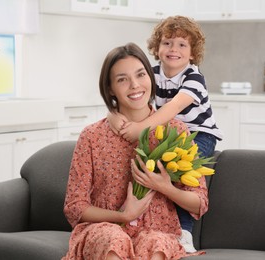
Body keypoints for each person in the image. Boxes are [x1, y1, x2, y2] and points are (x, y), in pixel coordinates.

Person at [62, 42, 208, 260]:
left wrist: (165, 187)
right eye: (122, 79)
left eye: (141, 75)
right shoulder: (92, 136)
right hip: (104, 229)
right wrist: (124, 215)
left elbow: (200, 202)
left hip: (157, 231)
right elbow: (75, 206)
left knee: (155, 244)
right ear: (110, 88)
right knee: (115, 240)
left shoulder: (175, 132)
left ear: (150, 77)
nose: (134, 85)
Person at [107, 16, 223, 252]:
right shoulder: (150, 73)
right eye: (167, 43)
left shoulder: (194, 78)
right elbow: (128, 99)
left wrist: (140, 127)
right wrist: (114, 117)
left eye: (182, 45)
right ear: (157, 48)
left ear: (192, 53)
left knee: (180, 174)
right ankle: (136, 221)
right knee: (147, 167)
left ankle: (185, 233)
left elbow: (172, 109)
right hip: (163, 134)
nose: (173, 49)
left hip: (198, 134)